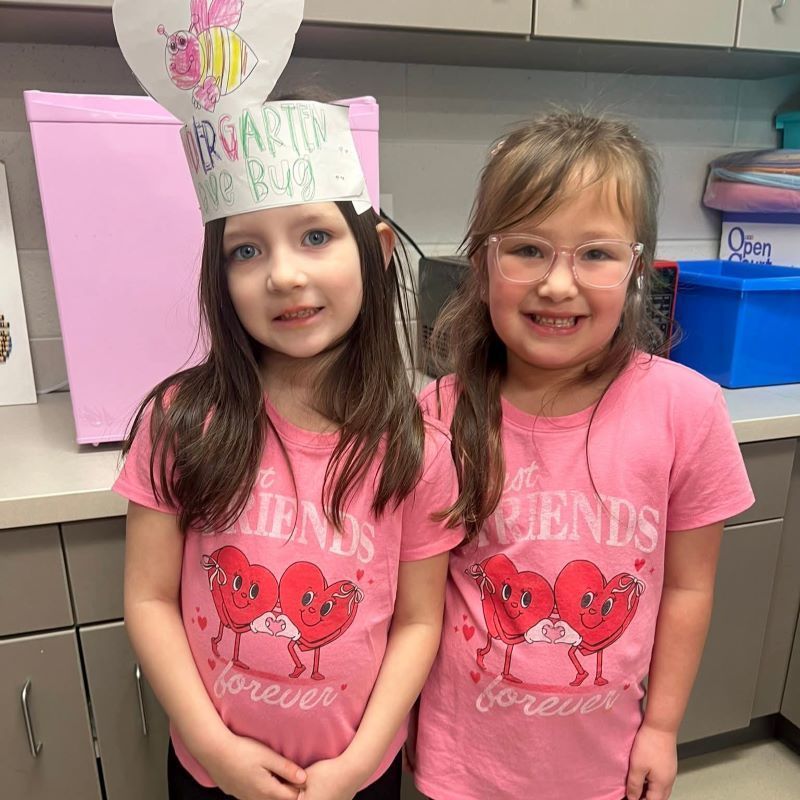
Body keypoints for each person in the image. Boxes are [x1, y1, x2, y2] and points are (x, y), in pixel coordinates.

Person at [413, 112, 754, 800]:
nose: (557, 285)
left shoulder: (688, 410)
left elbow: (688, 588)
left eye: (595, 254)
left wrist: (661, 729)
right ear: (483, 263)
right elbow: (417, 607)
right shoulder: (441, 415)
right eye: (529, 250)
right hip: (461, 763)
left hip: (603, 762)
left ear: (636, 267)